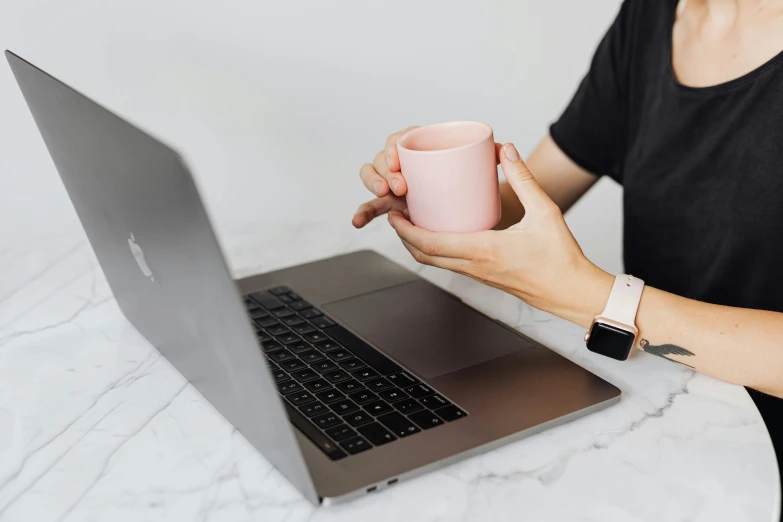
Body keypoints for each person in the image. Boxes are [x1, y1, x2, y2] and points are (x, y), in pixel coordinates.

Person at [352, 0, 783, 497]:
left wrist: (598, 300)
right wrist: (433, 194)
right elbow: (522, 206)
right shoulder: (650, 17)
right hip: (659, 414)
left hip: (753, 461)